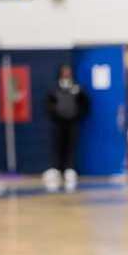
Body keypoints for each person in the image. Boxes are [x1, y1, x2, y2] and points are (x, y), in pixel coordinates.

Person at [43, 64, 89, 192]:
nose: (66, 73)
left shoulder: (77, 88)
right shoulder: (53, 88)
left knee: (71, 145)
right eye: (64, 71)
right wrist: (55, 113)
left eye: (68, 71)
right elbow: (48, 104)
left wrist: (77, 113)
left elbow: (85, 103)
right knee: (57, 145)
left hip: (72, 122)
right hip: (58, 122)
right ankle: (56, 169)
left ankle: (70, 169)